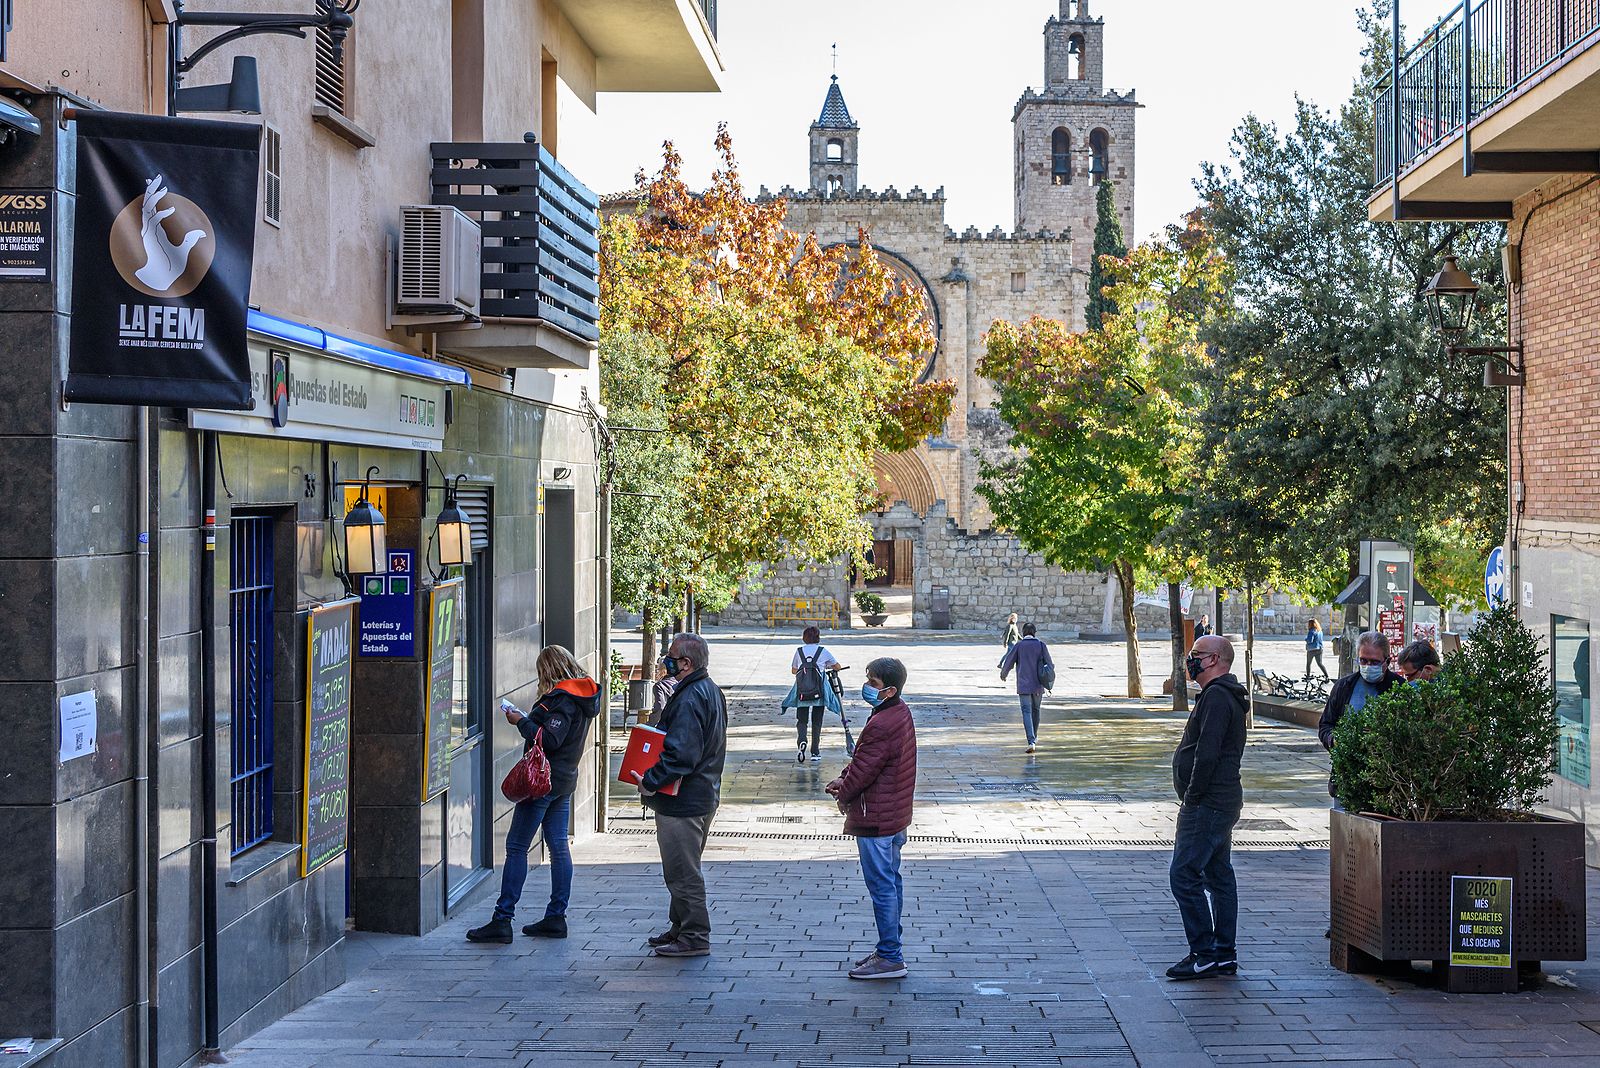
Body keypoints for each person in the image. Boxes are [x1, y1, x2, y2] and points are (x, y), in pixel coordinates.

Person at [467, 645, 601, 944]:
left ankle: (503, 919)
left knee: (516, 847)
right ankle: (556, 917)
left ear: (548, 671)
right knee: (557, 845)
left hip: (543, 782)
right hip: (564, 781)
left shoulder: (564, 700)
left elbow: (550, 739)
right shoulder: (584, 694)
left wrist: (521, 721)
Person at [631, 632, 727, 958]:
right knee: (682, 868)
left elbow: (681, 755)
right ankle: (680, 928)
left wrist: (651, 780)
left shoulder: (689, 697)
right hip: (702, 795)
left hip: (683, 801)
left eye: (672, 656)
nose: (666, 660)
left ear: (686, 663)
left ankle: (695, 936)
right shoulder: (708, 689)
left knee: (682, 873)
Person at [826, 656, 917, 981]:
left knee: (882, 886)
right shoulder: (898, 712)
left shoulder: (882, 723)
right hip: (894, 814)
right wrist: (845, 778)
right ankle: (888, 948)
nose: (866, 687)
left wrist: (844, 791)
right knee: (891, 882)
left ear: (890, 690)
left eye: (873, 684)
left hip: (877, 817)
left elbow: (864, 770)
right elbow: (868, 762)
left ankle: (891, 956)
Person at [1166, 634, 1249, 981]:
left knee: (1184, 875)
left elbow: (1207, 752)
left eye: (1196, 655)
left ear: (1214, 660)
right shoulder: (1223, 695)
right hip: (1221, 801)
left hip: (1209, 803)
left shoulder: (1217, 697)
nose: (1191, 660)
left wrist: (1193, 796)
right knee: (1218, 876)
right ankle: (1223, 954)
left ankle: (1203, 953)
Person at [1317, 630, 1402, 795]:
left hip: (1386, 784)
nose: (1368, 666)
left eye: (1374, 662)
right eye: (1363, 660)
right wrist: (1334, 740)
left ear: (1387, 661)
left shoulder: (1399, 688)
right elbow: (1325, 724)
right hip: (1345, 782)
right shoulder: (1344, 687)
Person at [787, 625, 841, 763]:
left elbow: (794, 670)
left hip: (802, 691)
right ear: (818, 637)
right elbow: (837, 666)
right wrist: (824, 666)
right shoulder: (823, 651)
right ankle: (815, 752)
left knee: (802, 719)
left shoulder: (799, 651)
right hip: (819, 691)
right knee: (817, 721)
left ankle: (802, 741)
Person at [999, 622, 1054, 752]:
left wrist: (1003, 674)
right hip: (1038, 686)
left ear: (1023, 633)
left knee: (1026, 712)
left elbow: (1009, 661)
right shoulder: (1041, 646)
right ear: (1035, 632)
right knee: (1036, 711)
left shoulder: (1019, 646)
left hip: (1023, 685)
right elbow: (1050, 665)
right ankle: (1034, 738)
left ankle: (1031, 741)